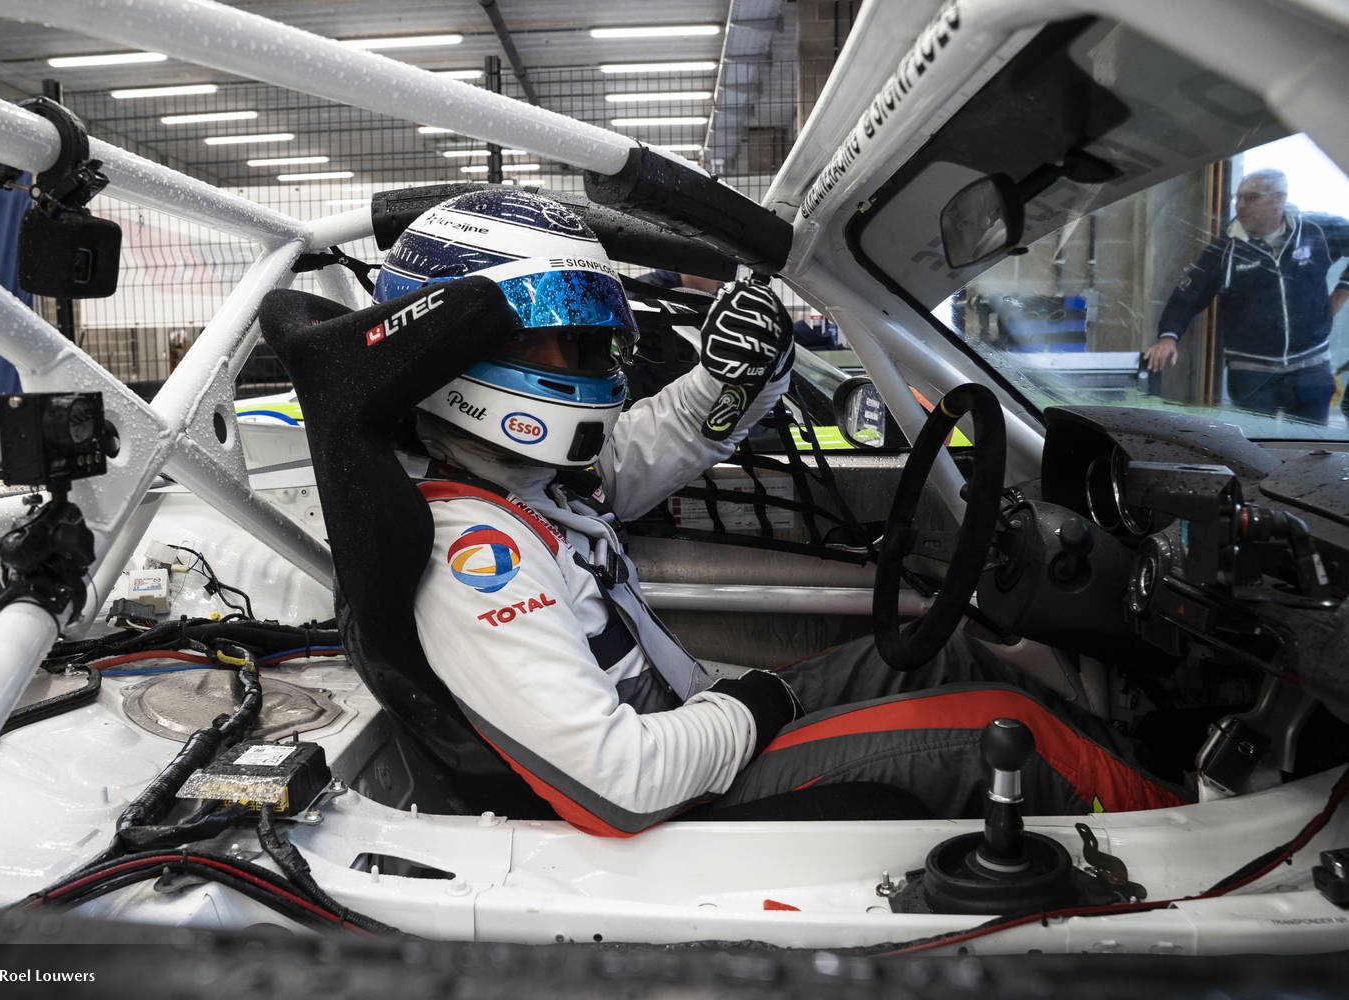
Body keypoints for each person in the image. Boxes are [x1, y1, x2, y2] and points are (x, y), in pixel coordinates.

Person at [377, 190, 1184, 836]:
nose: (585, 362)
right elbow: (618, 783)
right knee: (1001, 729)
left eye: (592, 337)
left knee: (936, 657)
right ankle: (1188, 834)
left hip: (698, 728)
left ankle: (1139, 768)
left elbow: (642, 449)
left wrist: (734, 376)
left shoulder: (525, 480)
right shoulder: (471, 551)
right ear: (453, 350)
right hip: (678, 809)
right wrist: (759, 704)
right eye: (554, 339)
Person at [1144, 168, 1349, 424]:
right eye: (1237, 198)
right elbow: (1187, 296)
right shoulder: (1226, 248)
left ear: (1279, 198)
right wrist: (1168, 337)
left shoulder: (1315, 231)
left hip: (1311, 365)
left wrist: (1342, 291)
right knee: (1256, 443)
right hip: (1252, 373)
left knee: (1311, 443)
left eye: (1250, 198)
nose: (1240, 205)